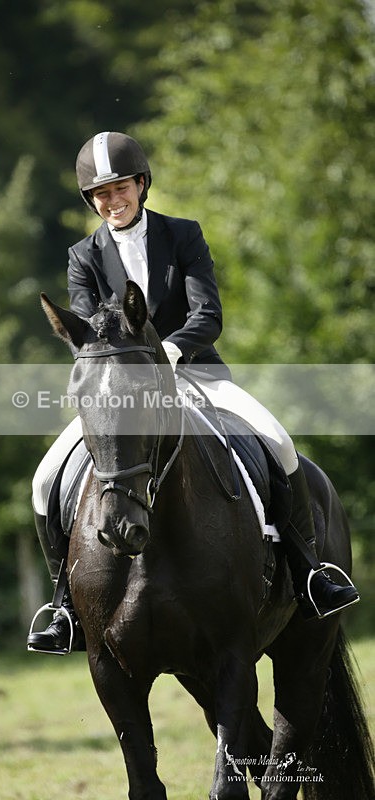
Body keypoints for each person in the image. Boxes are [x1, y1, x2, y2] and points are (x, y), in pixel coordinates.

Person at [27, 131, 359, 653]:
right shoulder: (82, 256)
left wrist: (171, 353)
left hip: (196, 372)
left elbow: (208, 316)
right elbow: (90, 333)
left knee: (277, 440)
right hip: (121, 390)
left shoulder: (183, 235)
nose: (113, 202)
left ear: (141, 184)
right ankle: (63, 606)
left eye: (120, 189)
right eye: (102, 194)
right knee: (46, 477)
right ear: (91, 200)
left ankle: (311, 571)